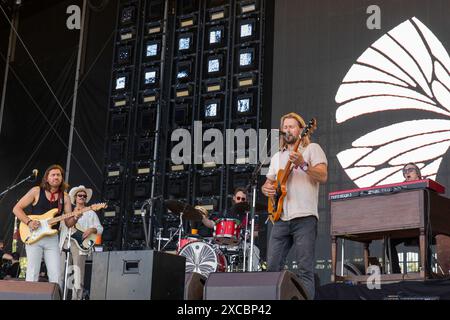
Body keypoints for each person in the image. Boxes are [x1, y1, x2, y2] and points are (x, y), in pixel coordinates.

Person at [261, 112, 328, 299]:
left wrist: (303, 165)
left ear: (301, 130)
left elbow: (323, 176)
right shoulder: (277, 156)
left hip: (305, 217)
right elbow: (268, 183)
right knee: (272, 267)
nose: (287, 130)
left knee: (304, 268)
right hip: (281, 218)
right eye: (285, 127)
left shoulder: (312, 148)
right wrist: (266, 189)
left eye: (291, 126)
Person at [13, 164, 80, 285]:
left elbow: (68, 223)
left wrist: (75, 217)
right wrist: (29, 222)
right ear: (47, 178)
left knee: (56, 275)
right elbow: (16, 209)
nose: (56, 177)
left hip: (52, 239)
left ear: (62, 178)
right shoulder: (36, 191)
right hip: (34, 236)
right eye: (53, 175)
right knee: (32, 274)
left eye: (58, 175)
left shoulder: (65, 197)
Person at [59, 185, 103, 300]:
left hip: (79, 245)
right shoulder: (67, 211)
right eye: (80, 195)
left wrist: (92, 229)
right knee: (60, 274)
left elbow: (100, 228)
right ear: (74, 197)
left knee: (78, 277)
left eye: (84, 196)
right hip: (65, 243)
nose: (82, 197)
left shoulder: (91, 213)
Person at [388, 163, 422, 274]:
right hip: (405, 226)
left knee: (424, 238)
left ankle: (426, 270)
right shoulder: (400, 189)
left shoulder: (424, 186)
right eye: (405, 171)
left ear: (417, 173)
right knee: (389, 242)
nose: (407, 173)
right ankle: (396, 272)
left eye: (410, 170)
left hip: (421, 225)